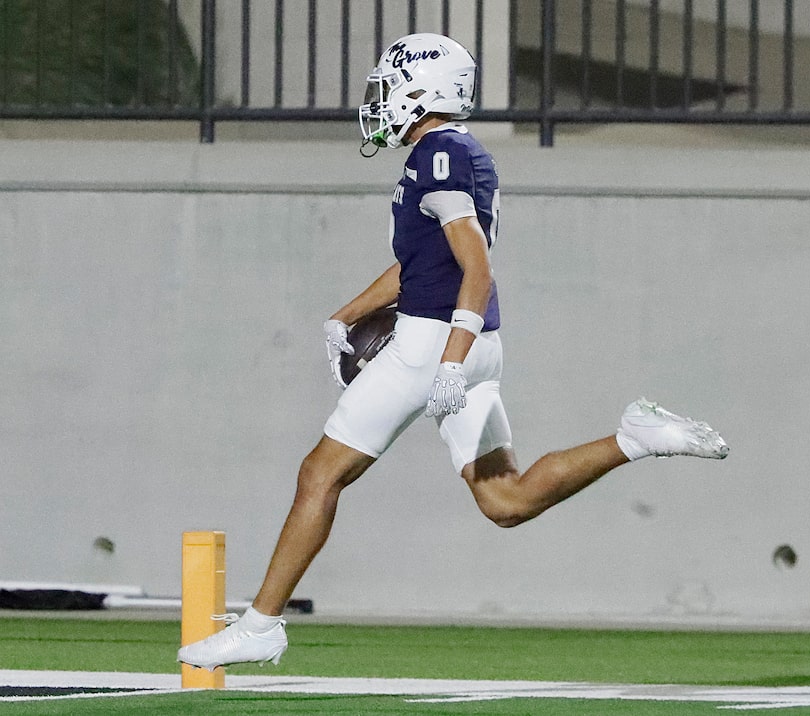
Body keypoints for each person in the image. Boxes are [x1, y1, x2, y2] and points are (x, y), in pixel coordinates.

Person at [178, 33, 729, 671]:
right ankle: (636, 437)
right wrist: (347, 315)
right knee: (507, 500)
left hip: (435, 342)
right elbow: (422, 261)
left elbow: (476, 267)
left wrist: (447, 359)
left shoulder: (438, 156)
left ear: (420, 91)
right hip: (476, 345)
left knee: (318, 475)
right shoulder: (455, 152)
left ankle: (261, 624)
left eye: (388, 88)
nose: (378, 102)